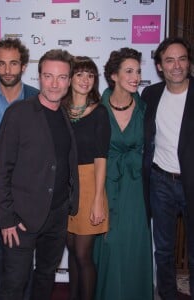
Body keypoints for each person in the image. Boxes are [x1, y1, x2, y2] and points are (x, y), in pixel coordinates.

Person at [0, 49, 79, 300]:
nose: (55, 84)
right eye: (48, 76)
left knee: (45, 277)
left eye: (62, 77)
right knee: (14, 284)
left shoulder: (64, 113)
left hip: (57, 214)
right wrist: (7, 218)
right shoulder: (18, 113)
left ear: (69, 80)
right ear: (39, 77)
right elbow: (1, 169)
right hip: (21, 217)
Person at [93, 48, 153, 300]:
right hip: (105, 184)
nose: (136, 76)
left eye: (138, 71)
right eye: (129, 71)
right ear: (113, 75)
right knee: (109, 245)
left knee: (134, 244)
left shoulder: (146, 108)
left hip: (137, 186)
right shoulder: (97, 109)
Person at [0, 37, 38, 300]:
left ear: (24, 66)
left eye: (13, 64)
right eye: (1, 64)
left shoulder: (37, 99)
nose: (7, 70)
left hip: (25, 192)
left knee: (23, 253)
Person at [142, 37, 194, 300]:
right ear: (160, 66)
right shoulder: (150, 95)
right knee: (162, 249)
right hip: (160, 181)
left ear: (189, 63)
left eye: (182, 59)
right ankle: (167, 294)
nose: (176, 65)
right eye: (169, 60)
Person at [63, 56, 110, 300]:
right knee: (71, 250)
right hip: (65, 184)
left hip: (90, 182)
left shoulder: (100, 112)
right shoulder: (60, 109)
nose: (85, 80)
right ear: (70, 78)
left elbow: (102, 157)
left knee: (82, 253)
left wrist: (98, 200)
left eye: (90, 75)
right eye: (80, 74)